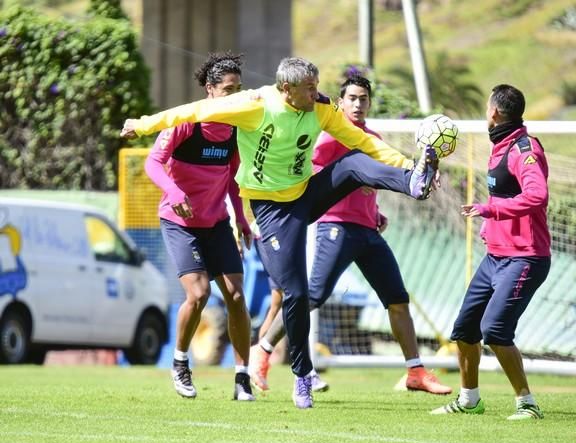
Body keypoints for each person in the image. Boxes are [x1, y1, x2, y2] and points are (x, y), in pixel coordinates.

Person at [121, 56, 440, 409]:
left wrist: (409, 165)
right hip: (271, 212)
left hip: (305, 194)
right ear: (286, 89)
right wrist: (145, 123)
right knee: (296, 294)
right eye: (309, 88)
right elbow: (192, 111)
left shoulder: (321, 108)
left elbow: (364, 142)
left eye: (317, 86)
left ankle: (413, 182)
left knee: (353, 162)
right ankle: (302, 376)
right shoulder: (254, 105)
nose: (317, 94)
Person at [250, 76, 451, 396]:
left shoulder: (371, 137)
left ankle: (415, 370)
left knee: (397, 300)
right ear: (340, 103)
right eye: (352, 98)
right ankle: (262, 351)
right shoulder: (328, 135)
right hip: (335, 227)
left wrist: (375, 212)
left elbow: (371, 181)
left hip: (368, 230)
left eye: (364, 99)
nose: (358, 104)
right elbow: (310, 174)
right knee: (311, 296)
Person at [430, 84, 551, 420]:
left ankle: (527, 403)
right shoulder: (500, 146)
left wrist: (491, 212)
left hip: (525, 256)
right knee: (465, 330)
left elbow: (537, 196)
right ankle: (469, 399)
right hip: (496, 256)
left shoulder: (525, 149)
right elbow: (503, 197)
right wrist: (490, 224)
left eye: (486, 107)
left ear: (494, 111)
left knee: (495, 330)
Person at [144, 52, 255, 401]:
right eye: (228, 90)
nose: (235, 96)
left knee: (236, 296)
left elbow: (234, 180)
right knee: (199, 293)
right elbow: (153, 162)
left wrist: (241, 218)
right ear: (209, 90)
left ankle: (242, 378)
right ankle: (180, 364)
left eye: (239, 89)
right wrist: (174, 191)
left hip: (217, 223)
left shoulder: (237, 130)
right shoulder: (186, 122)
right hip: (180, 223)